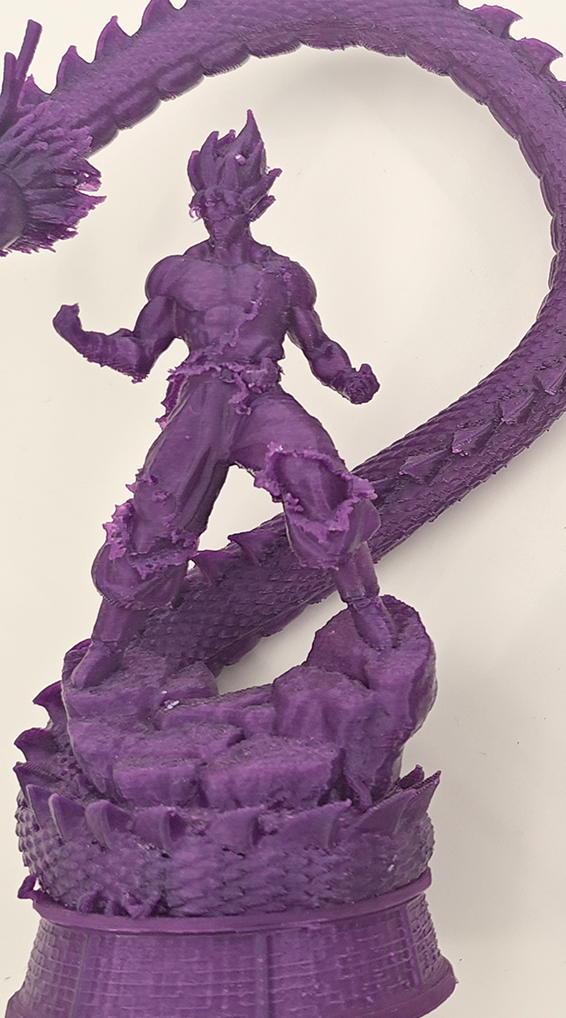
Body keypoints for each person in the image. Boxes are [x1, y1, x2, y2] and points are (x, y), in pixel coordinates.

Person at [54, 112, 395, 688]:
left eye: (227, 205)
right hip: (200, 401)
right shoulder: (177, 274)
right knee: (156, 513)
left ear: (255, 207)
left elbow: (317, 346)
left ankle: (367, 609)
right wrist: (87, 341)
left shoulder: (284, 276)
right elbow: (140, 351)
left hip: (261, 399)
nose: (214, 215)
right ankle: (107, 646)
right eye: (205, 204)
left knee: (319, 479)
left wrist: (347, 379)